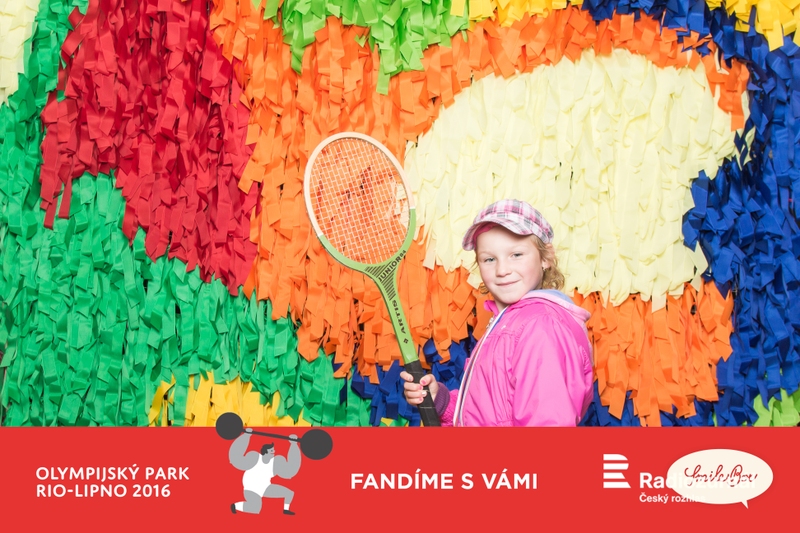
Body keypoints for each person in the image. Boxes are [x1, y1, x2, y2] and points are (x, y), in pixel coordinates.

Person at [401, 199, 593, 426]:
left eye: (516, 255)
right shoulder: (510, 323)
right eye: (490, 259)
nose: (502, 270)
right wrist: (441, 400)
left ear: (545, 258)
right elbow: (490, 414)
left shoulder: (539, 327)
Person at [229, 428, 301, 515]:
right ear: (266, 452)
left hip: (265, 487)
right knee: (255, 508)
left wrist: (293, 445)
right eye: (272, 450)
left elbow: (290, 470)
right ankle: (235, 506)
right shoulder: (255, 458)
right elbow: (237, 458)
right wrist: (246, 436)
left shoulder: (275, 463)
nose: (274, 452)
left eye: (274, 450)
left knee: (289, 493)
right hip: (251, 488)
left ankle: (285, 510)